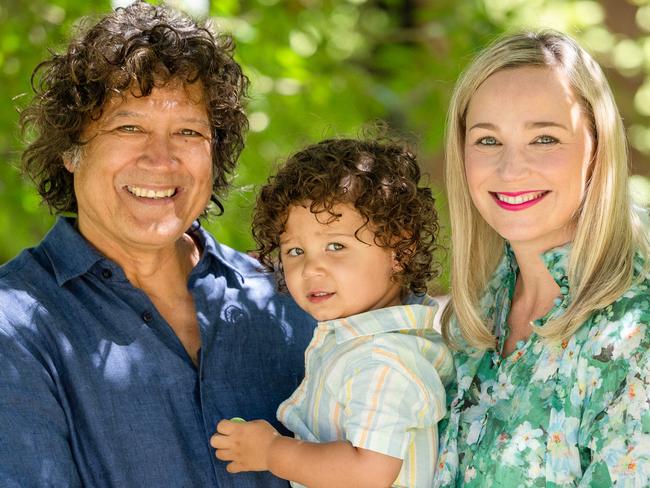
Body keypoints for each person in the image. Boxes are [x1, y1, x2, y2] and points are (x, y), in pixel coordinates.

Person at [0, 2, 314, 486]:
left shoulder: (291, 301)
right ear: (70, 148)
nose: (161, 159)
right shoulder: (15, 325)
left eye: (188, 132)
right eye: (130, 127)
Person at [433, 31, 650, 487]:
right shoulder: (472, 319)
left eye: (545, 139)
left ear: (598, 149)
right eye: (488, 140)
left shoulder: (635, 329)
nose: (511, 169)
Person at [211, 137, 455, 487]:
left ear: (399, 250)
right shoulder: (359, 345)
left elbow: (368, 472)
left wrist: (271, 452)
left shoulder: (384, 361)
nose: (311, 268)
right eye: (295, 251)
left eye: (336, 246)